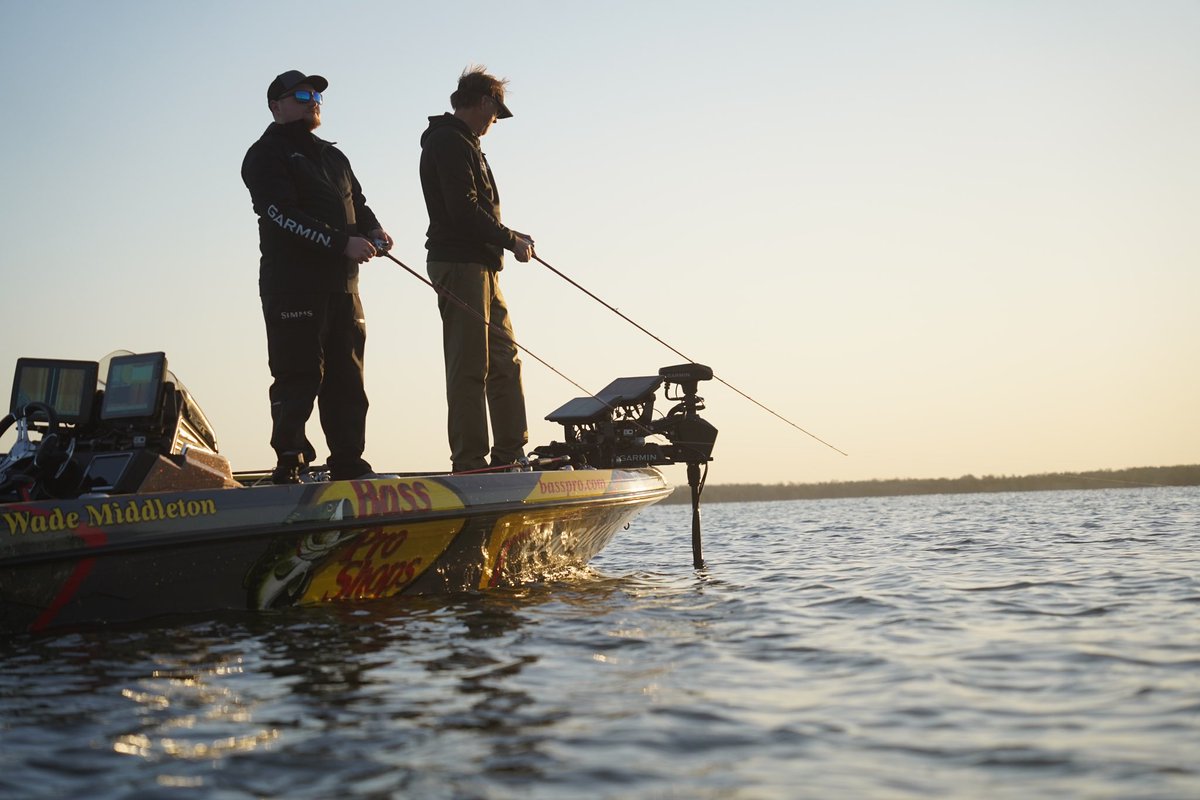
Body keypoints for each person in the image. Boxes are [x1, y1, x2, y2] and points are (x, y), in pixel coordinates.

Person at [241, 70, 393, 483]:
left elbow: (357, 204)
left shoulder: (333, 156)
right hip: (293, 286)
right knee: (299, 374)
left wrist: (374, 229)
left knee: (347, 379)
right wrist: (340, 243)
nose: (314, 101)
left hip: (343, 287)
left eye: (317, 96)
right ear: (276, 106)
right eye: (302, 94)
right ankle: (290, 461)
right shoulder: (264, 155)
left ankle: (348, 462)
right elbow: (280, 213)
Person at [420, 66, 534, 473]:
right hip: (460, 265)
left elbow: (474, 211)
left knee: (505, 360)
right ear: (485, 101)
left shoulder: (465, 143)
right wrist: (509, 239)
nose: (494, 123)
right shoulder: (449, 141)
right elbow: (462, 210)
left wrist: (508, 235)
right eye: (495, 114)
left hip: (484, 267)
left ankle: (509, 455)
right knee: (470, 366)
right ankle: (470, 463)